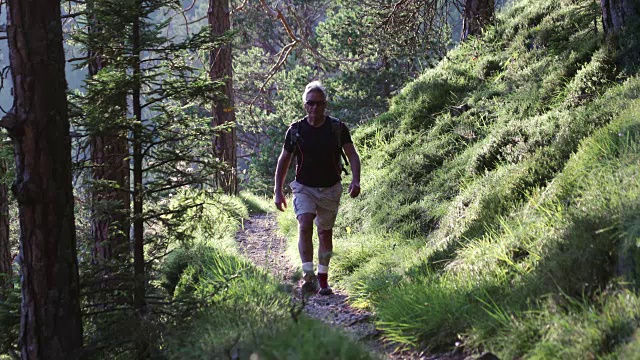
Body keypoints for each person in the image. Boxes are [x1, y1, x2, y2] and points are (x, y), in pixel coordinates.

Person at [273, 81, 361, 296]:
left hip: (331, 187)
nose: (315, 108)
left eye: (319, 104)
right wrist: (277, 190)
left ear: (325, 105)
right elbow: (284, 160)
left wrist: (356, 180)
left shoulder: (337, 128)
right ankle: (308, 275)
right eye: (311, 103)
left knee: (325, 232)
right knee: (304, 224)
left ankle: (323, 279)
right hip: (304, 187)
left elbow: (352, 155)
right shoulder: (295, 130)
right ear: (305, 105)